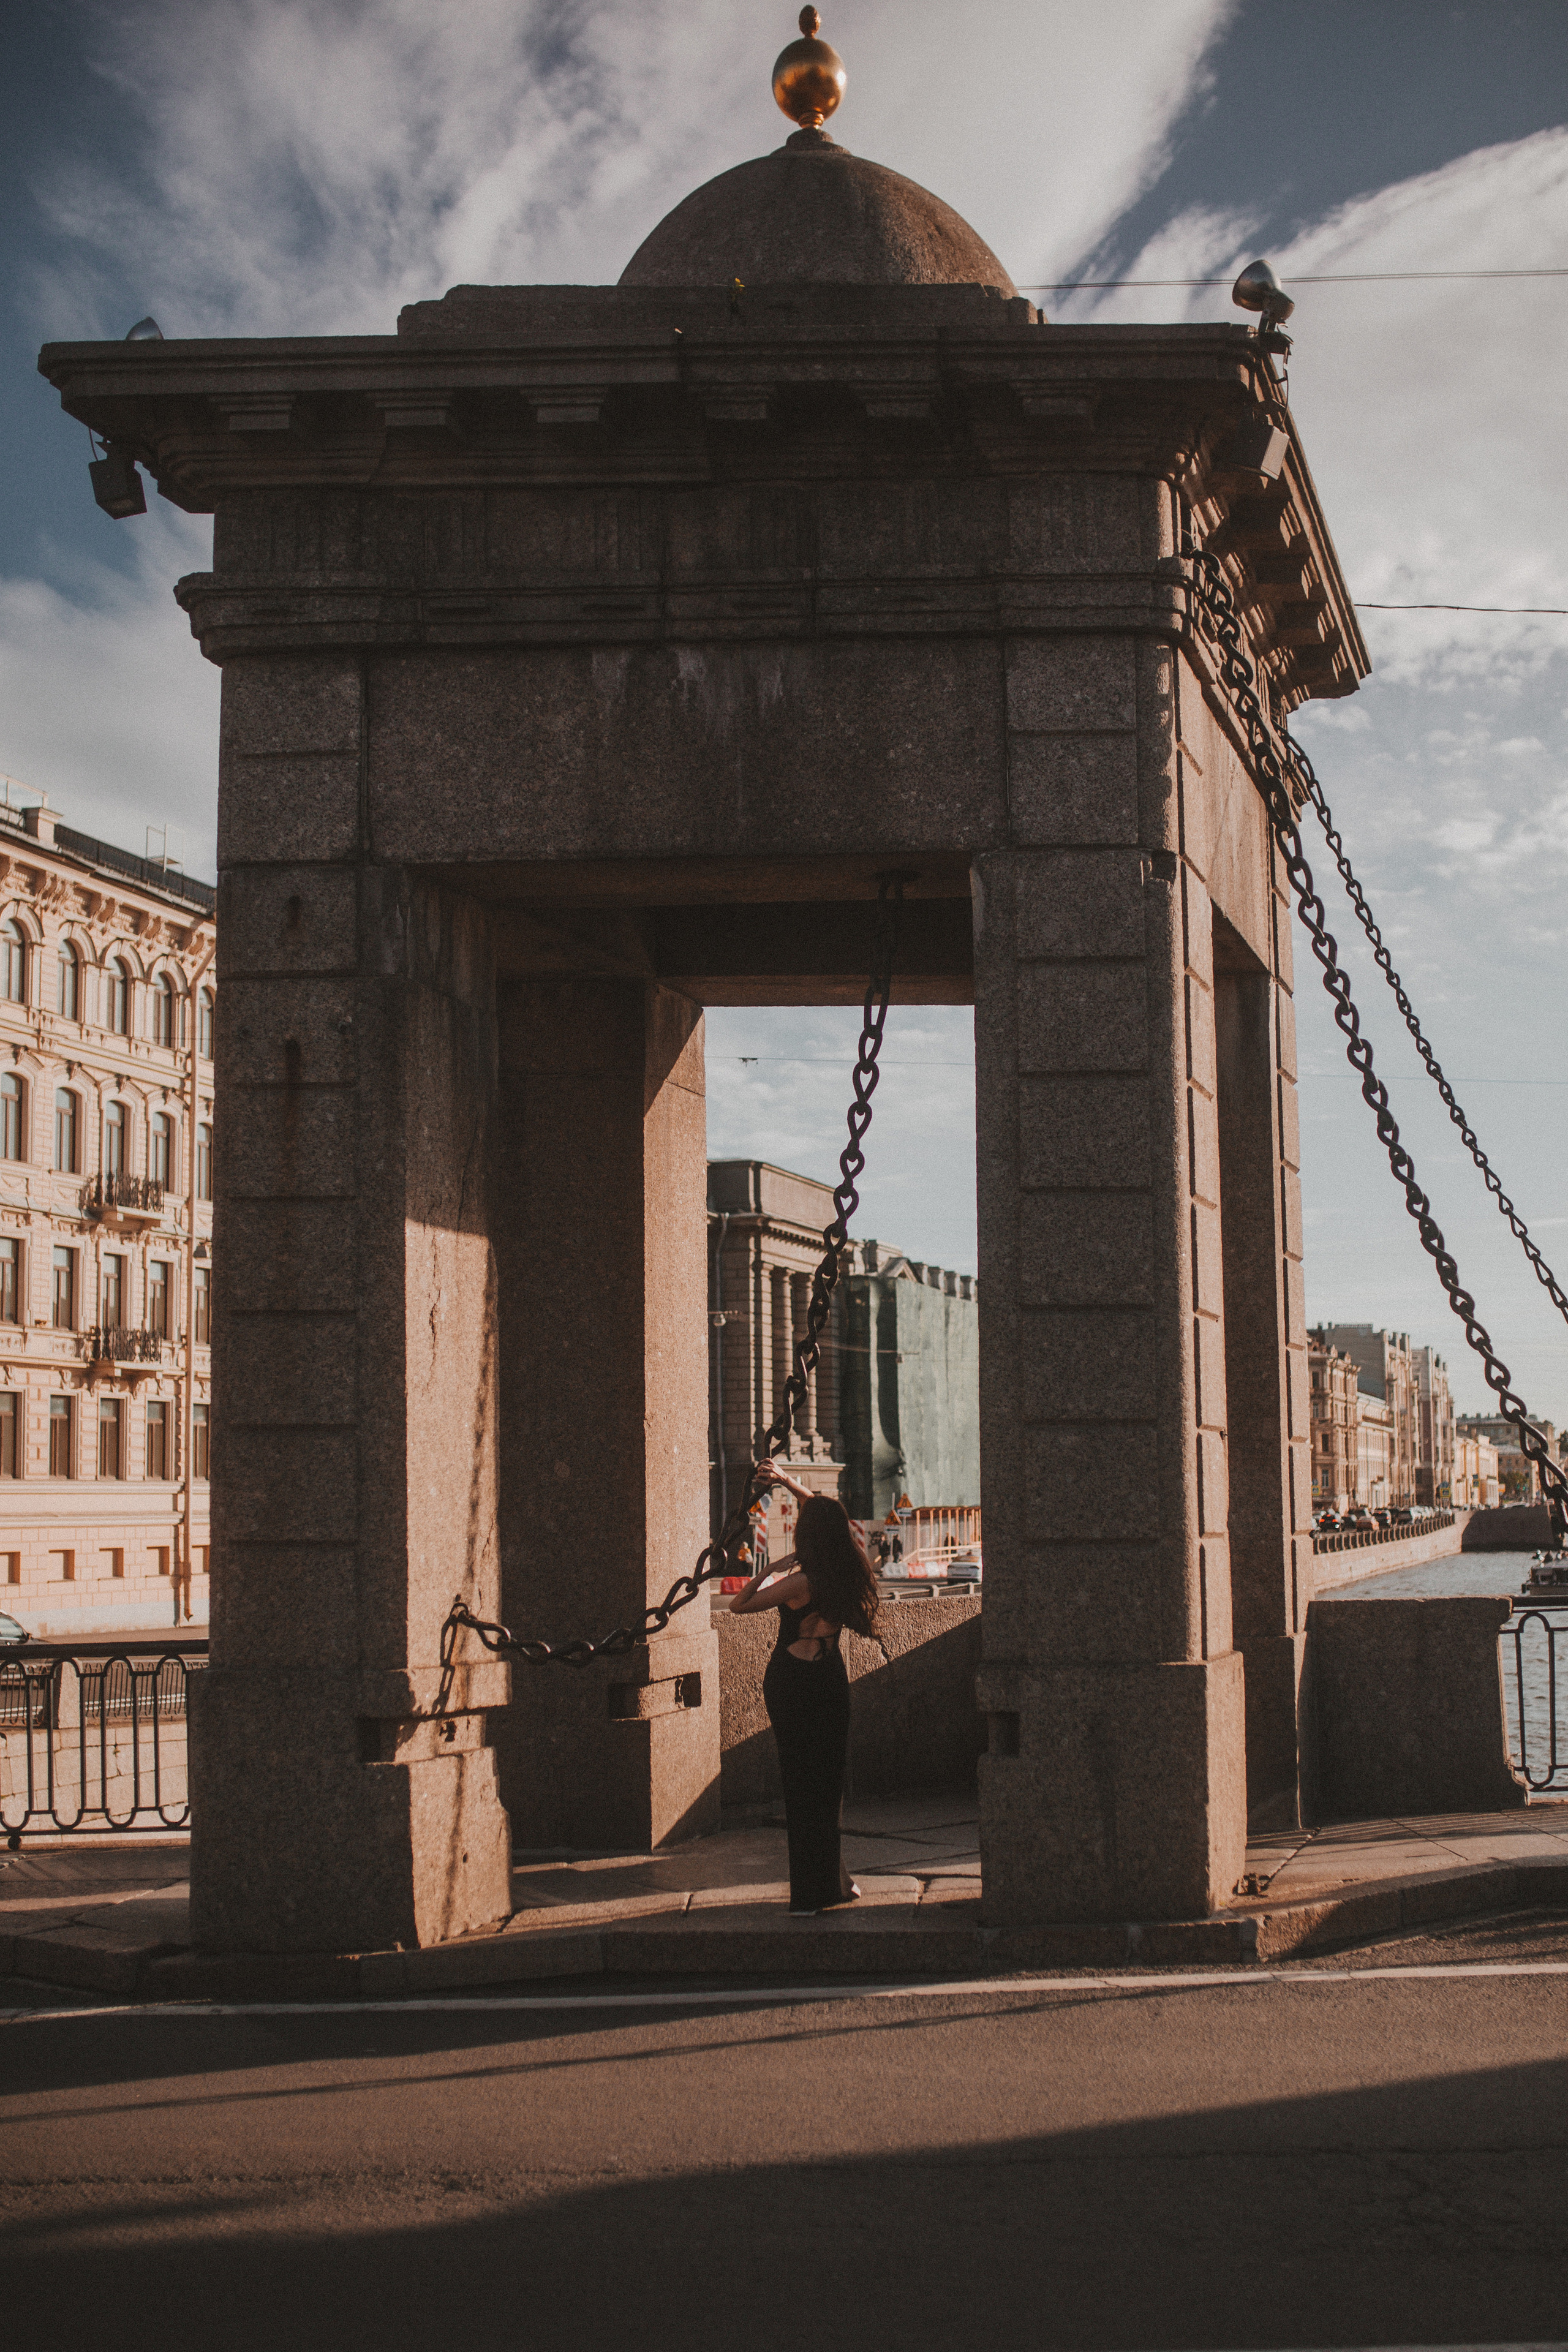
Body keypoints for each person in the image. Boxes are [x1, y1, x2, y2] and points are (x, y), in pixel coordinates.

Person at [728, 1461, 881, 1915]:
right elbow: (826, 1514)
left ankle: (809, 1895)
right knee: (828, 1786)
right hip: (831, 1681)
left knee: (800, 1787)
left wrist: (770, 1567)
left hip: (792, 1684)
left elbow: (739, 1605)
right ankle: (836, 1880)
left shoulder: (800, 1582)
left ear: (804, 1538)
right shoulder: (850, 1571)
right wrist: (791, 1484)